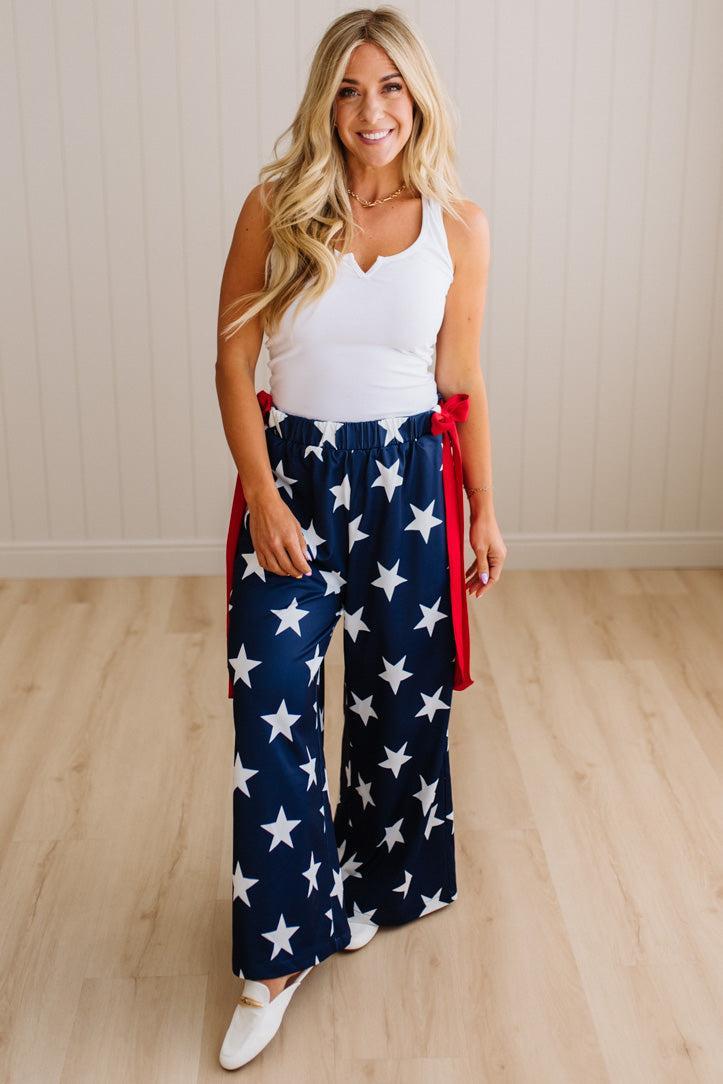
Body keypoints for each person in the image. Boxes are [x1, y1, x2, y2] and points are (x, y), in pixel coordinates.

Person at [215, 6, 505, 1070]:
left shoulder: (459, 226)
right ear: (323, 103)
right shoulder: (275, 207)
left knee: (399, 698)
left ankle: (382, 880)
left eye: (389, 87)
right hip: (293, 478)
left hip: (410, 487)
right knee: (272, 691)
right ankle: (280, 950)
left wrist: (482, 505)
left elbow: (461, 379)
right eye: (347, 89)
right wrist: (266, 492)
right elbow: (229, 364)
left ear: (417, 95)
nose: (369, 110)